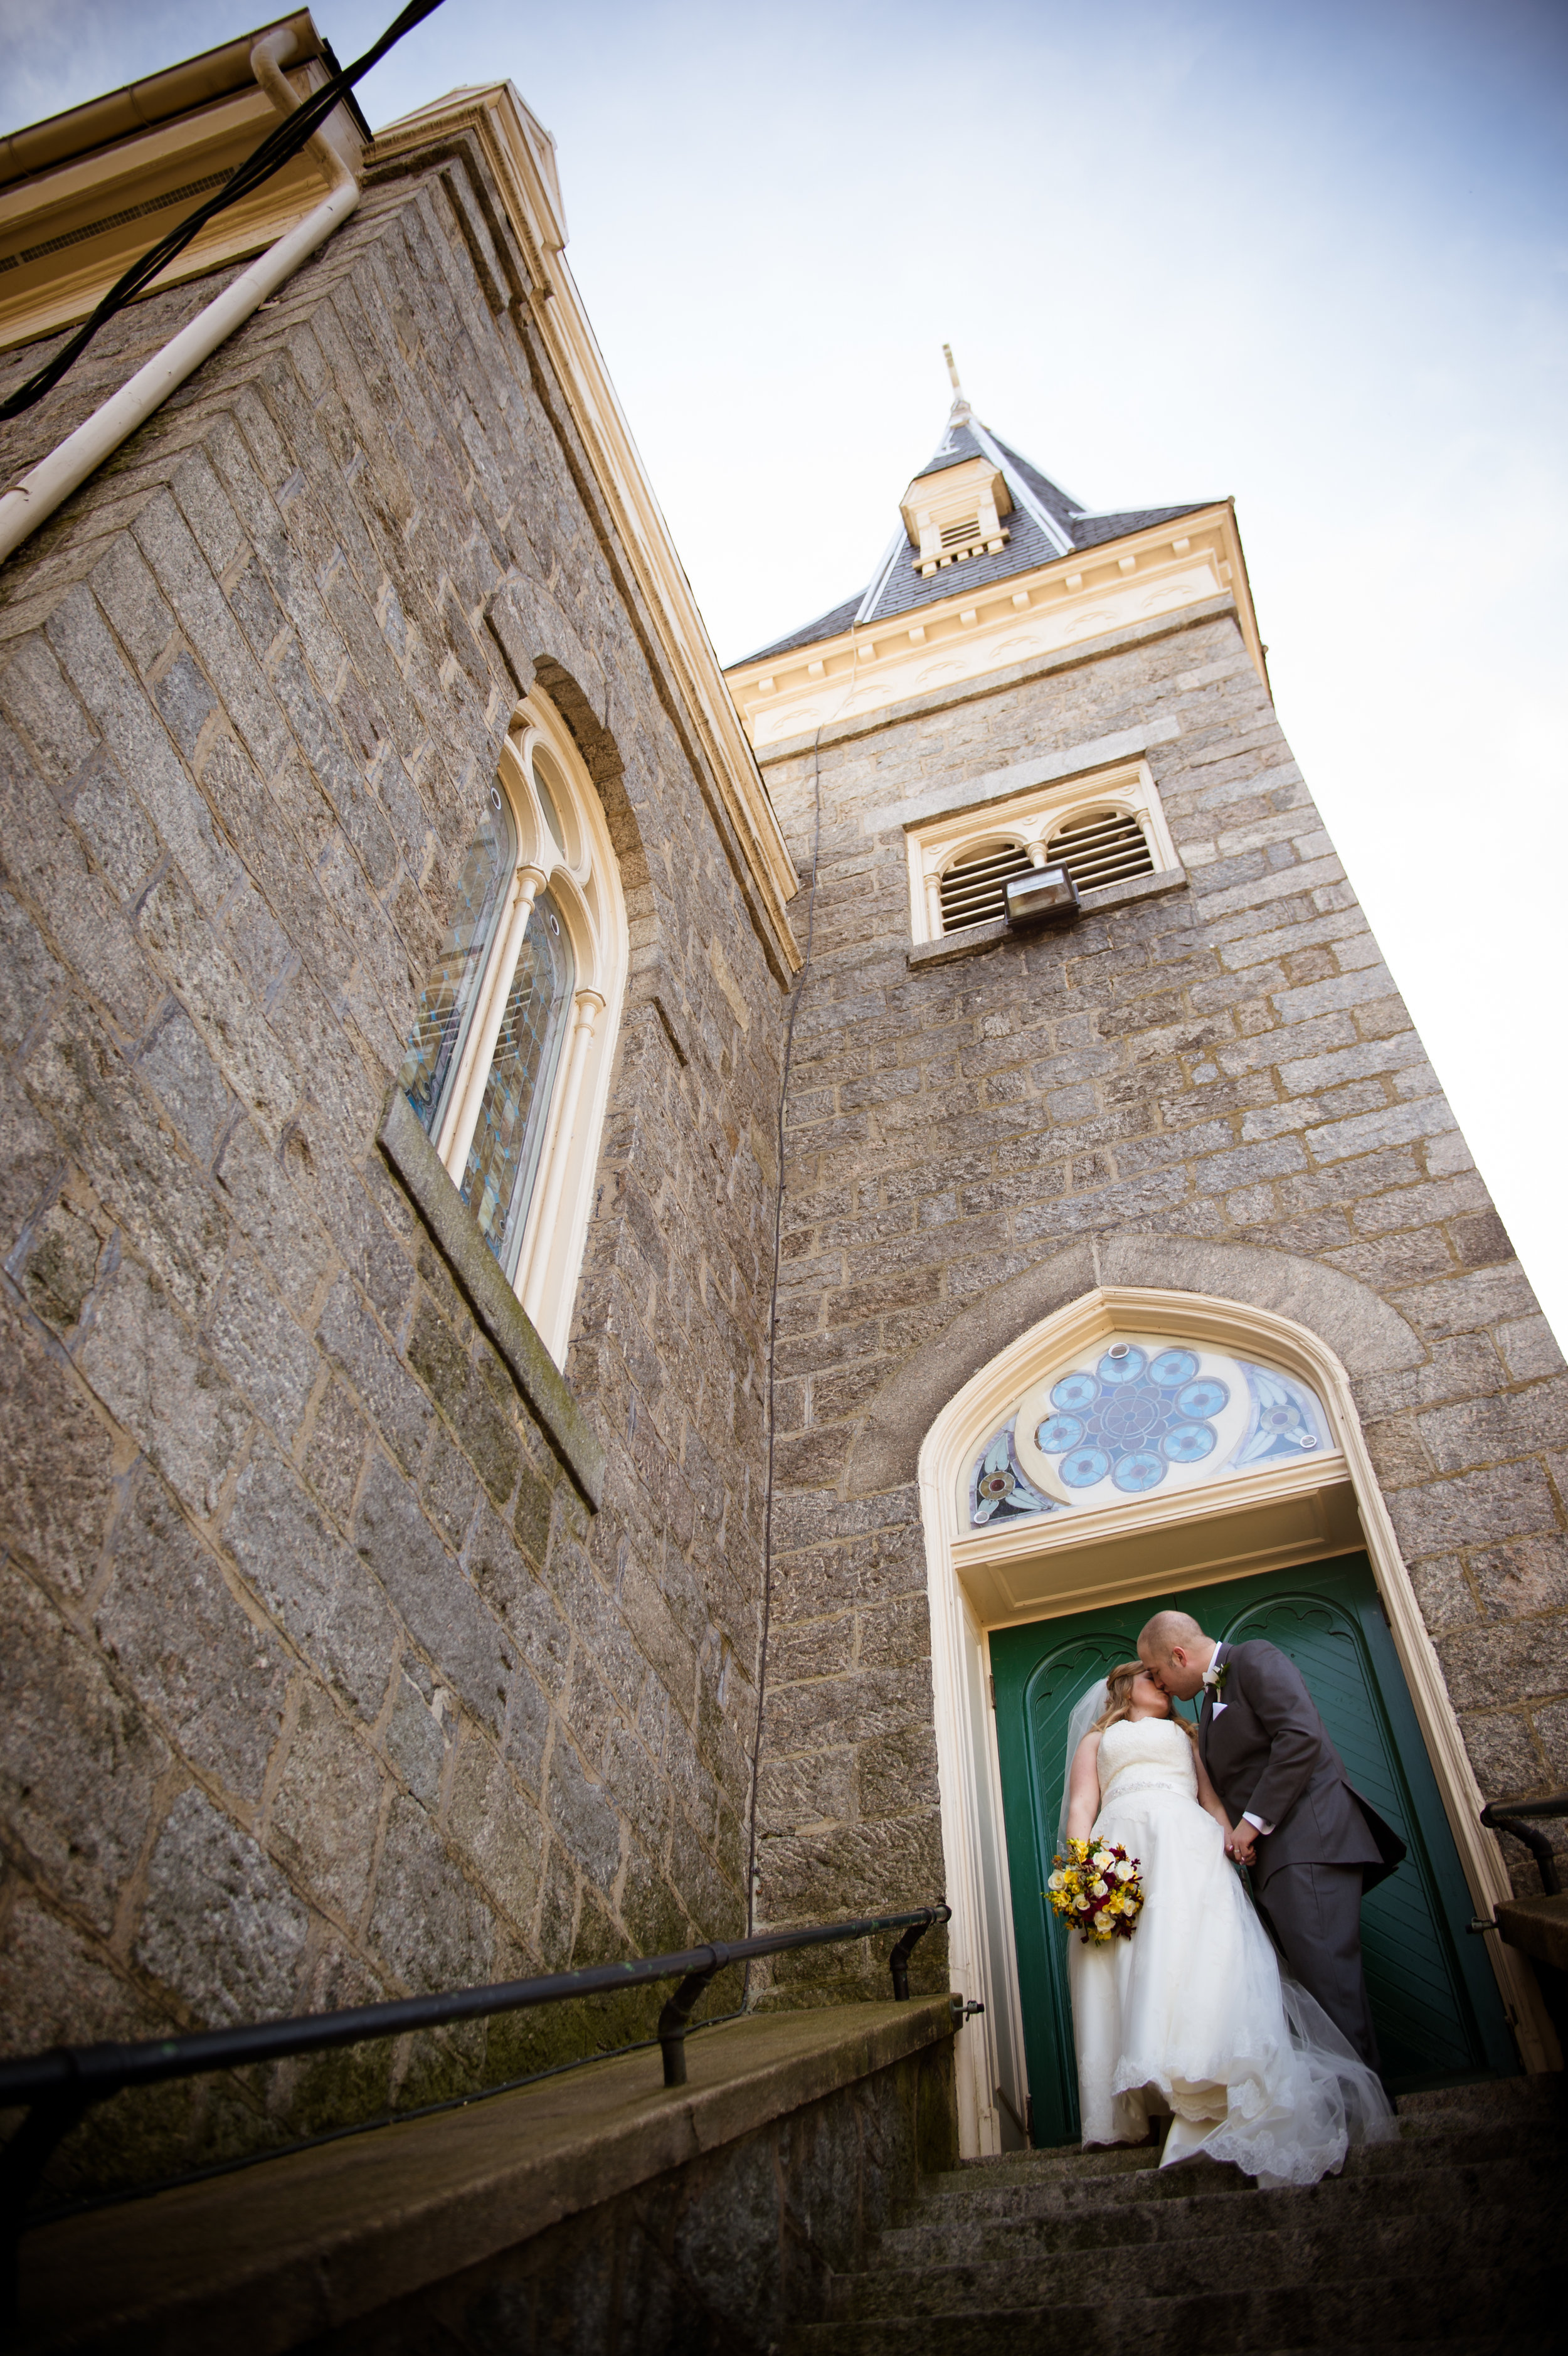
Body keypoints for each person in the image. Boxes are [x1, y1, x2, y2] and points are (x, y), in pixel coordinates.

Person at [1061, 1658, 1396, 2185]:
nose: (1164, 1685)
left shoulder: (1183, 1737)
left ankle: (1211, 2079)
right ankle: (1148, 2106)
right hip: (1124, 1860)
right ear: (1128, 1687)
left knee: (1198, 1959)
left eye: (1163, 1677)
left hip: (1189, 1854)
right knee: (1130, 1970)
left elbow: (1211, 1802)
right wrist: (1085, 1872)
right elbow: (1083, 1803)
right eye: (1152, 1679)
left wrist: (1232, 1846)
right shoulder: (1098, 1743)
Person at [1136, 1608, 1406, 2072]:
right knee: (1321, 1990)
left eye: (1158, 1672)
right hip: (1281, 1862)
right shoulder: (1209, 1698)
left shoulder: (1254, 1658)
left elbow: (1299, 1737)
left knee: (1330, 1987)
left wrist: (1252, 1824)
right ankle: (1358, 2112)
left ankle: (1371, 2126)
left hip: (1310, 1845)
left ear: (1179, 1656)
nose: (1160, 1684)